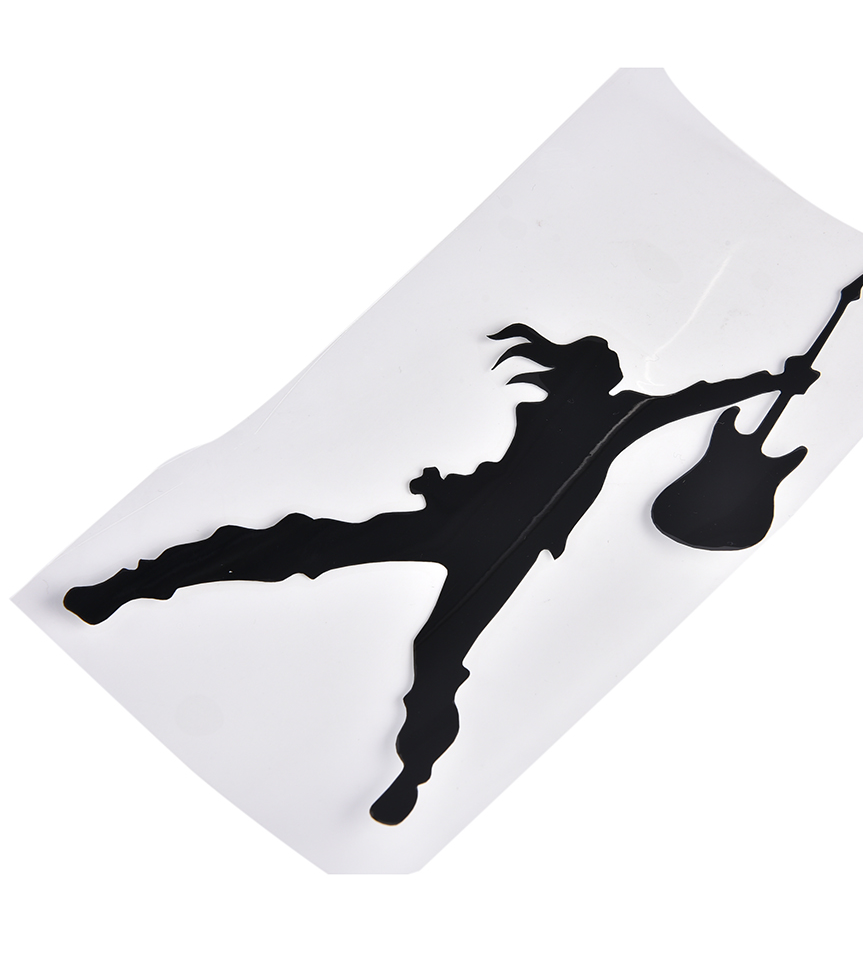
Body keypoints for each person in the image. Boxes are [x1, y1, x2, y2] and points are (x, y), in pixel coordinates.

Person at [64, 322, 819, 824]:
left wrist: (775, 381)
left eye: (591, 369)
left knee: (436, 654)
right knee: (300, 545)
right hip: (465, 523)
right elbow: (509, 473)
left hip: (505, 550)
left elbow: (696, 400)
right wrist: (441, 492)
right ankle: (125, 587)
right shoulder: (554, 411)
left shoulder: (622, 415)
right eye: (587, 368)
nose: (583, 375)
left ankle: (412, 771)